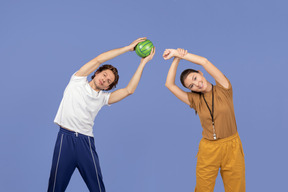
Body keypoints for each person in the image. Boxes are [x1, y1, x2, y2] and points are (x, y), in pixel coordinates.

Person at [47, 37, 155, 192]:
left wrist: (143, 63)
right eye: (104, 75)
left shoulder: (103, 98)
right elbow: (99, 59)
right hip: (65, 139)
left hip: (85, 143)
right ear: (97, 73)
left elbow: (129, 90)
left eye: (109, 81)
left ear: (108, 87)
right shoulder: (77, 80)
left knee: (97, 188)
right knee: (55, 187)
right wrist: (128, 48)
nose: (105, 80)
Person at [163, 48, 245, 192]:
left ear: (200, 73)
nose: (197, 84)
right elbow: (169, 84)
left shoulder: (224, 88)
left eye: (195, 78)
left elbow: (204, 61)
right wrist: (176, 60)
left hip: (232, 146)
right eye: (191, 86)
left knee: (236, 188)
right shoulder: (195, 100)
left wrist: (180, 53)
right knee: (202, 189)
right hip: (208, 149)